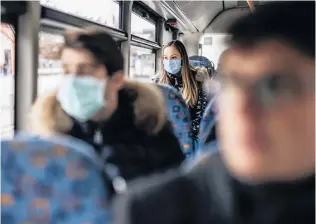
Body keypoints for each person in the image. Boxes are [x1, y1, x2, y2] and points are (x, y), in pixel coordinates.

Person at [112, 2, 315, 223]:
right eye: (232, 84)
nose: (242, 109)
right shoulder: (150, 211)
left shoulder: (197, 86)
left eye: (276, 86)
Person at [29, 28, 185, 198]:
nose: (73, 80)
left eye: (85, 70)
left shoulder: (152, 131)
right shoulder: (53, 134)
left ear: (116, 80)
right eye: (67, 70)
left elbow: (178, 200)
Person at [154, 40, 210, 147]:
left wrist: (182, 136)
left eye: (174, 57)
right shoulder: (158, 83)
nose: (169, 61)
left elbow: (201, 118)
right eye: (165, 58)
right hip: (164, 138)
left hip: (191, 138)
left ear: (182, 59)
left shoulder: (198, 81)